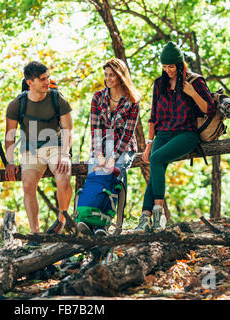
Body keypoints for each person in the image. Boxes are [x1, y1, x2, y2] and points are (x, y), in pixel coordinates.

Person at [134, 41, 217, 233]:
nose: (168, 70)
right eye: (164, 66)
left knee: (156, 159)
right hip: (162, 134)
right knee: (156, 164)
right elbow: (153, 116)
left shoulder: (195, 82)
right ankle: (145, 219)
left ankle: (158, 216)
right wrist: (148, 145)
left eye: (171, 66)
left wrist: (193, 93)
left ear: (180, 65)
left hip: (186, 134)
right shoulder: (159, 83)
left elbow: (209, 110)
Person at [5, 61, 73, 237]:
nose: (47, 82)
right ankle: (35, 234)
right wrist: (10, 162)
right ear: (30, 83)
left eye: (48, 77)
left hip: (56, 147)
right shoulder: (16, 104)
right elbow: (9, 136)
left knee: (64, 180)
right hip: (31, 151)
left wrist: (65, 154)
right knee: (28, 185)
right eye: (43, 79)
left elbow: (68, 130)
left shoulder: (57, 99)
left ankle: (61, 220)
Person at [78, 57, 141, 236]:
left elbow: (128, 132)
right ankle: (88, 223)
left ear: (121, 76)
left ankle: (104, 226)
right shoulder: (98, 97)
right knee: (96, 177)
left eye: (112, 75)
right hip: (101, 146)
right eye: (106, 75)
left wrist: (112, 157)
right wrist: (99, 155)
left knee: (114, 175)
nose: (108, 79)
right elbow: (95, 129)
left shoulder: (132, 100)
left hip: (124, 146)